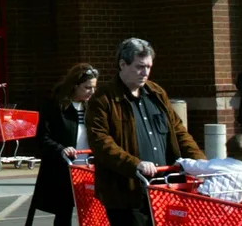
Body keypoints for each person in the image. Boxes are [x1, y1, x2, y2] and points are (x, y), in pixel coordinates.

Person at [87, 38, 205, 226]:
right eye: (140, 67)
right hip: (127, 193)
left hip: (165, 186)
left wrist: (201, 164)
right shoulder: (104, 99)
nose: (145, 73)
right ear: (122, 65)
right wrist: (135, 164)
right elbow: (100, 142)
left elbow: (179, 132)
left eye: (149, 67)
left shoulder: (157, 94)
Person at [29, 63, 99, 226]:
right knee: (64, 213)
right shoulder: (56, 105)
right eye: (87, 87)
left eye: (94, 87)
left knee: (92, 213)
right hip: (63, 169)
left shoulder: (93, 106)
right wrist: (61, 149)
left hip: (89, 168)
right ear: (75, 86)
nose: (92, 92)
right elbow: (43, 137)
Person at [176, 134, 242, 202]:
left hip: (205, 202)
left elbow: (196, 167)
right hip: (232, 209)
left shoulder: (219, 164)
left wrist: (181, 162)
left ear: (227, 151)